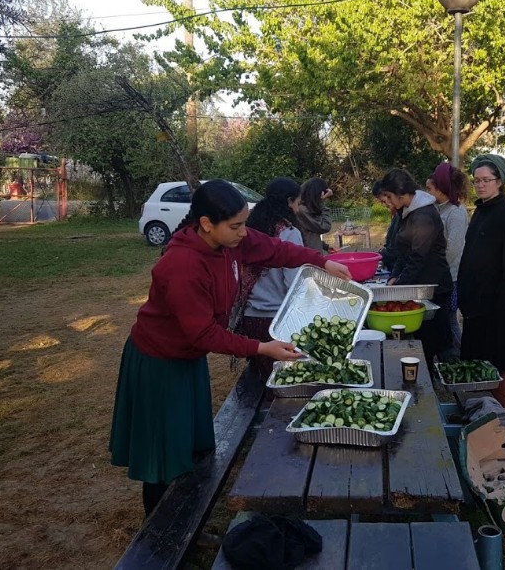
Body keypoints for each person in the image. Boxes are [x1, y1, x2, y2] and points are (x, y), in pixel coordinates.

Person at [109, 180, 351, 517]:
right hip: (158, 364)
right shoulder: (181, 265)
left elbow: (275, 249)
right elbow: (204, 334)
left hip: (187, 359)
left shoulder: (231, 242)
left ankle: (187, 512)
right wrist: (261, 347)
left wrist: (320, 261)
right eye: (235, 226)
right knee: (163, 455)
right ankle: (159, 533)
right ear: (207, 224)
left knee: (192, 445)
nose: (243, 232)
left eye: (243, 223)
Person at [458, 154, 505, 409]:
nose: (481, 184)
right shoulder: (480, 212)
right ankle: (478, 411)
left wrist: (503, 301)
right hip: (474, 303)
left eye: (487, 180)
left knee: (498, 364)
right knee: (475, 362)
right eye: (476, 180)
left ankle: (501, 416)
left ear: (500, 181)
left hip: (497, 305)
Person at [378, 168, 453, 372]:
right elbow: (403, 252)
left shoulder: (424, 216)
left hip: (434, 286)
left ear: (402, 194)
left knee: (432, 340)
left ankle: (439, 378)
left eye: (389, 196)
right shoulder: (407, 211)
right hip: (418, 283)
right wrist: (394, 276)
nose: (388, 201)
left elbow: (417, 258)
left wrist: (398, 289)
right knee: (421, 338)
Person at [236, 177, 305, 382]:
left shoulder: (251, 228)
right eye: (298, 203)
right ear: (289, 201)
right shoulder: (289, 233)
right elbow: (293, 285)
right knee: (284, 381)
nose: (299, 209)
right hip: (278, 321)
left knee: (264, 379)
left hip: (250, 318)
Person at [425, 162, 470, 361]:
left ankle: (457, 358)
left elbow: (453, 249)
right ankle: (446, 356)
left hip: (449, 277)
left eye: (430, 189)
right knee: (442, 318)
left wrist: (435, 268)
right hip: (437, 275)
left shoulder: (457, 213)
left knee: (450, 319)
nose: (427, 192)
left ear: (442, 188)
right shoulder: (439, 209)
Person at [295, 177, 334, 252]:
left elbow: (309, 233)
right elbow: (324, 227)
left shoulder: (304, 208)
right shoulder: (301, 210)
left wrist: (325, 246)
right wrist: (322, 203)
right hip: (308, 257)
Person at [372, 181, 400, 272]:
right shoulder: (395, 214)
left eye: (384, 201)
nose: (385, 204)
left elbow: (397, 249)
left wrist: (380, 255)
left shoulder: (402, 215)